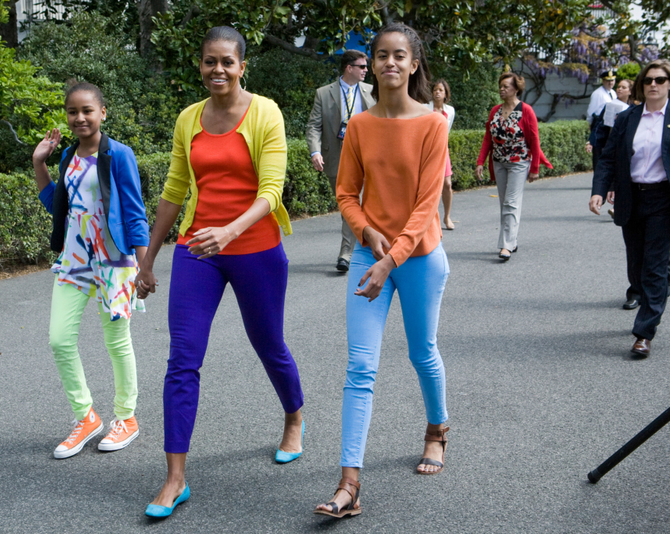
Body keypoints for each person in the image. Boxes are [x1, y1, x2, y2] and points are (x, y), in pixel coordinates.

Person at [136, 27, 304, 518]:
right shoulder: (188, 118)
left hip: (255, 247)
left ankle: (293, 416)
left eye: (227, 62)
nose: (218, 70)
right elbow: (173, 190)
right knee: (182, 358)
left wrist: (229, 232)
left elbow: (272, 191)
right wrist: (148, 258)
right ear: (201, 65)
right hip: (198, 251)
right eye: (210, 62)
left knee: (268, 343)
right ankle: (174, 478)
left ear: (242, 66)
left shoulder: (265, 112)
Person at [313, 22, 450, 519]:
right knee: (360, 366)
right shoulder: (361, 126)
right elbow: (346, 193)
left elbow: (425, 205)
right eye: (381, 55)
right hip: (373, 255)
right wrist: (367, 234)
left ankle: (437, 430)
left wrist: (391, 257)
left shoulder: (433, 124)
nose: (390, 62)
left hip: (418, 258)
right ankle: (349, 483)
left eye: (400, 56)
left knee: (422, 352)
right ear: (370, 65)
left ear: (413, 65)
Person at [32, 82, 149, 459]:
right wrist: (40, 164)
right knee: (59, 339)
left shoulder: (118, 155)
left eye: (87, 110)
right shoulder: (67, 157)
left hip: (113, 261)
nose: (79, 118)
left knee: (117, 342)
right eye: (72, 112)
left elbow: (134, 212)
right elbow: (59, 208)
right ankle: (86, 417)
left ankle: (126, 418)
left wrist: (143, 267)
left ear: (102, 113)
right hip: (75, 259)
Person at [590, 59, 670, 358]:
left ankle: (644, 333)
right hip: (631, 197)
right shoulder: (627, 117)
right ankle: (653, 294)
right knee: (636, 265)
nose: (653, 85)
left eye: (660, 80)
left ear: (668, 84)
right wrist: (599, 191)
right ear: (641, 84)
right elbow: (609, 157)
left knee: (654, 266)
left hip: (663, 199)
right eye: (649, 80)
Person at [306, 50, 376, 272]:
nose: (366, 70)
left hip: (367, 158)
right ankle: (362, 248)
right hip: (336, 158)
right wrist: (315, 152)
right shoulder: (324, 93)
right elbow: (313, 126)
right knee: (348, 206)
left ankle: (347, 253)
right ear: (349, 68)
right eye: (362, 66)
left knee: (361, 204)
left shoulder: (372, 91)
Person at [475, 72, 552, 261]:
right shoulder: (495, 111)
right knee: (505, 203)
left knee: (511, 202)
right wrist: (480, 162)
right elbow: (488, 138)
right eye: (500, 86)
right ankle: (513, 240)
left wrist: (535, 168)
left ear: (516, 89)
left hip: (519, 162)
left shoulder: (526, 110)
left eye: (506, 86)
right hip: (499, 162)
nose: (502, 89)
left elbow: (534, 140)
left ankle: (506, 246)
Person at [427, 79, 456, 230]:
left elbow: (447, 130)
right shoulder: (425, 108)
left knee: (447, 184)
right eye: (435, 90)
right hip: (427, 151)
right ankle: (431, 219)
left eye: (440, 90)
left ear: (445, 94)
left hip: (443, 150)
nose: (437, 92)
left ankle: (447, 216)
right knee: (430, 186)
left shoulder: (450, 111)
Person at [587, 69, 618, 171]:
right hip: (599, 124)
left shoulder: (613, 93)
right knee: (598, 153)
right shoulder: (598, 94)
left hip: (609, 124)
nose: (610, 83)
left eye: (612, 80)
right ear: (603, 81)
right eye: (608, 81)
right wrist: (590, 125)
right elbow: (591, 111)